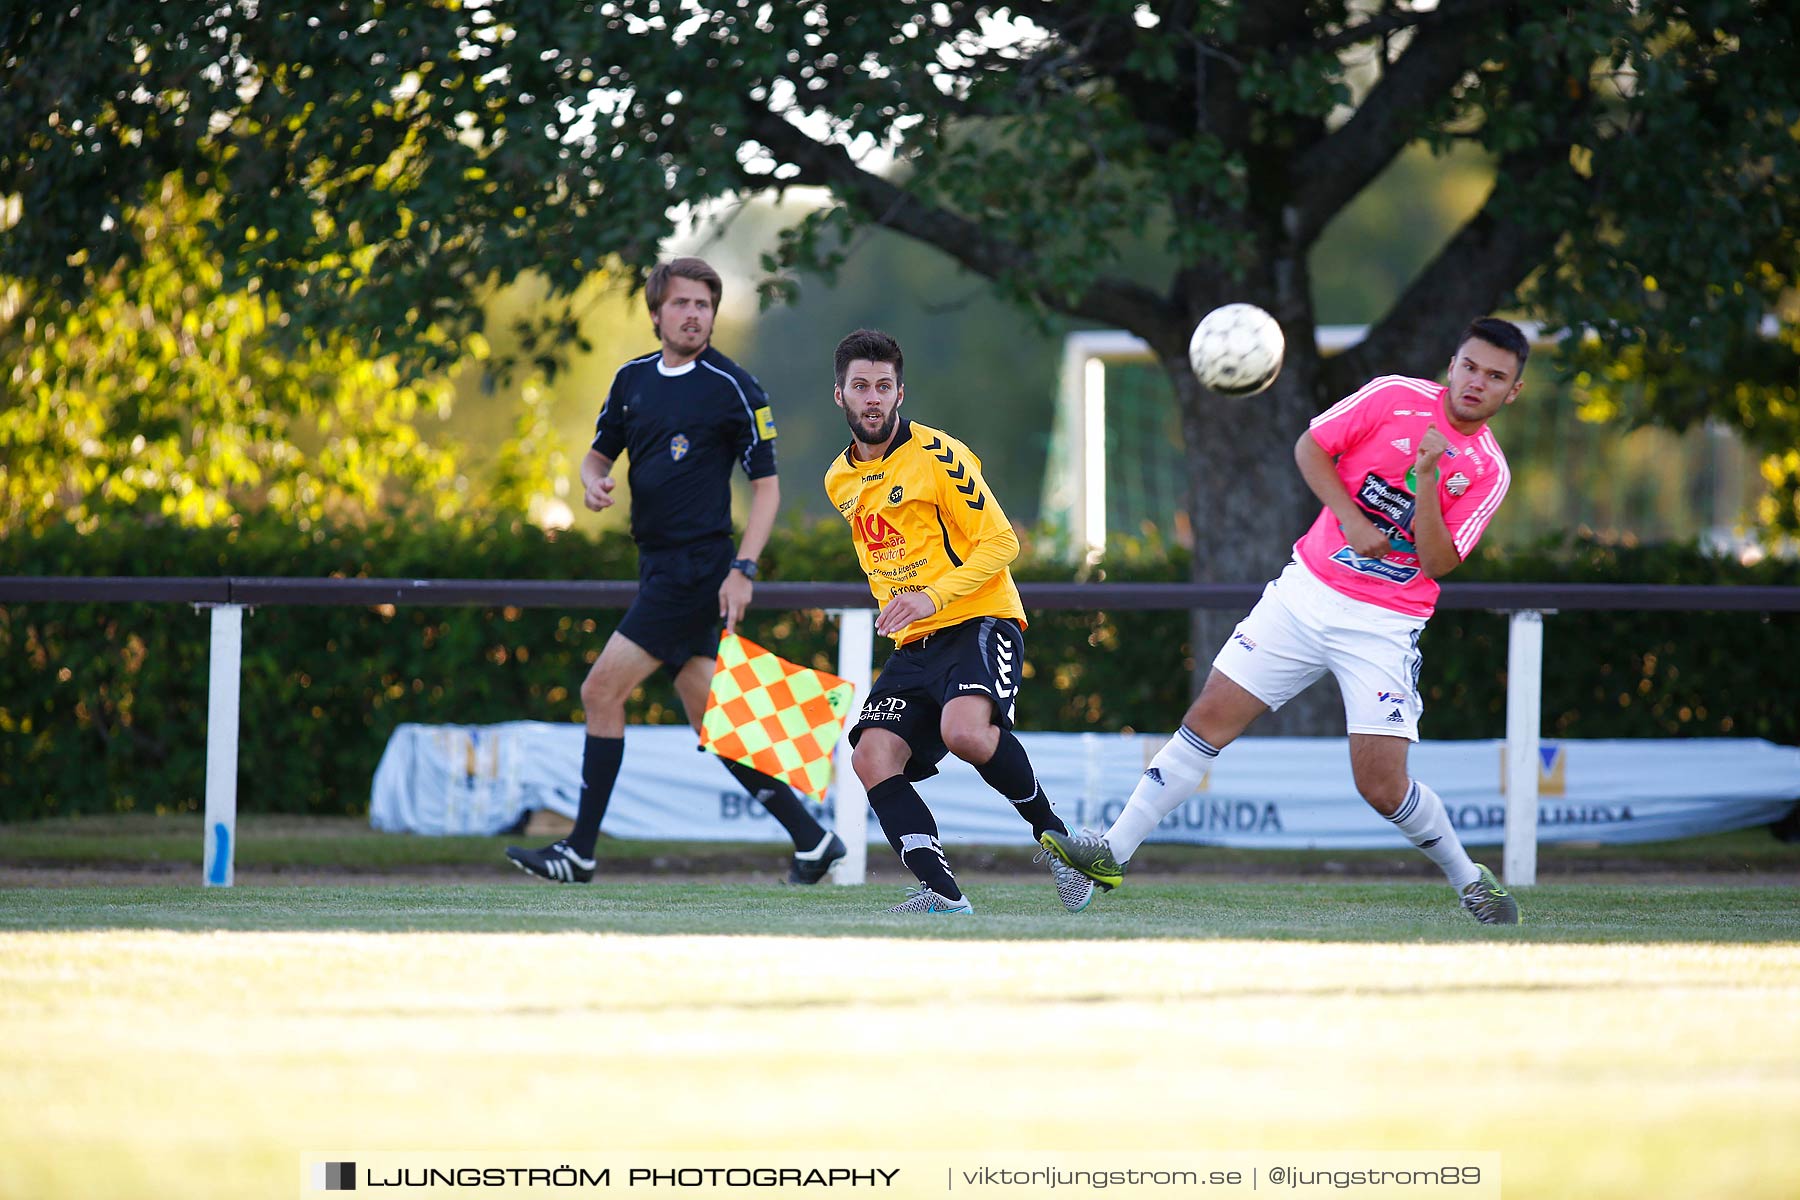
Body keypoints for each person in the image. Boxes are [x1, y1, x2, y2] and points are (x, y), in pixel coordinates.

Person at [1042, 317, 1531, 925]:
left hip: (1383, 623)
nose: (1476, 382)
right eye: (1470, 366)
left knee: (1380, 785)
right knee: (1207, 720)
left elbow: (1437, 561)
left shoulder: (1487, 470)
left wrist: (1428, 478)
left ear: (1512, 392)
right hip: (1304, 593)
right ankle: (1110, 853)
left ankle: (1471, 881)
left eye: (1495, 377)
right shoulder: (1393, 397)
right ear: (1452, 364)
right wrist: (1351, 519)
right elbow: (1310, 448)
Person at [506, 258, 846, 885]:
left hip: (696, 572)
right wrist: (593, 482)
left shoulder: (734, 386)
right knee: (710, 716)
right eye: (683, 303)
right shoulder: (631, 379)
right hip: (655, 565)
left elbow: (767, 490)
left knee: (599, 692)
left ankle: (577, 852)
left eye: (705, 305)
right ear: (657, 312)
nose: (695, 314)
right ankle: (813, 838)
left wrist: (743, 568)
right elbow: (596, 454)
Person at [825, 328, 1093, 915]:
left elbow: (1000, 543)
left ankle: (1060, 846)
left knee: (964, 732)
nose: (872, 398)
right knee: (871, 755)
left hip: (979, 618)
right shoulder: (838, 480)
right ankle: (941, 894)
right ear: (839, 394)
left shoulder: (939, 455)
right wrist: (904, 605)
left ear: (901, 393)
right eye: (860, 386)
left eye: (884, 386)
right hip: (916, 641)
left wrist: (929, 597)